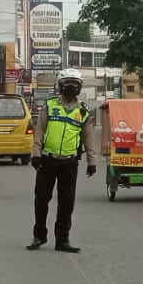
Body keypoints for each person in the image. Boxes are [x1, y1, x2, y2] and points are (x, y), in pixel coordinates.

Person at [28, 69, 96, 253]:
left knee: (67, 202)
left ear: (80, 87)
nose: (71, 87)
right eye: (67, 83)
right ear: (60, 86)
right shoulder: (49, 106)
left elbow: (88, 137)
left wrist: (92, 161)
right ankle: (39, 236)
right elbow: (40, 131)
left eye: (75, 83)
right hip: (47, 160)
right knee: (41, 200)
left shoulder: (83, 111)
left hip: (69, 163)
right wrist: (36, 154)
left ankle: (62, 240)